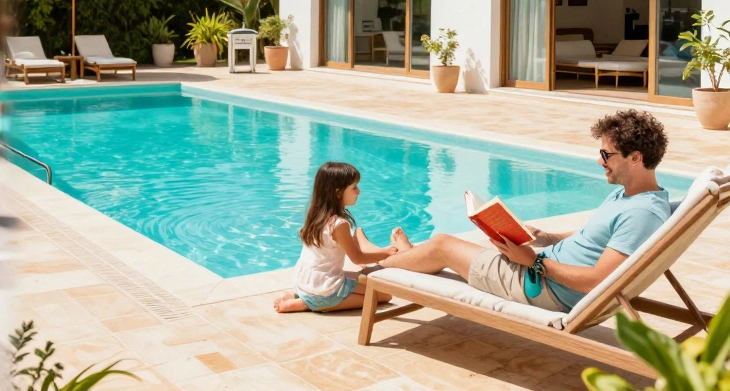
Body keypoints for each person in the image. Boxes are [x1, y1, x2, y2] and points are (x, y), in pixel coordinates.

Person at [381, 110, 671, 313]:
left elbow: (598, 281)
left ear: (635, 158)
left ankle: (374, 270)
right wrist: (549, 237)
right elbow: (594, 238)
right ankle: (405, 254)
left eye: (606, 155)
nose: (599, 160)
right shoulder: (633, 196)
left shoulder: (641, 213)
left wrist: (533, 262)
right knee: (468, 244)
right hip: (540, 269)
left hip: (541, 285)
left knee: (442, 245)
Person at [274, 162, 396, 313]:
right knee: (384, 295)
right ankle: (308, 304)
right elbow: (357, 258)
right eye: (354, 187)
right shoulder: (339, 224)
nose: (358, 192)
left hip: (302, 282)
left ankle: (299, 296)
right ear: (338, 192)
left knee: (360, 278)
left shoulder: (316, 216)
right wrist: (386, 253)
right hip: (323, 291)